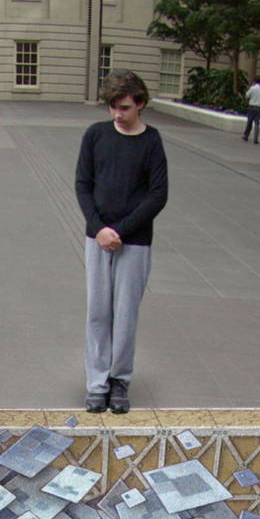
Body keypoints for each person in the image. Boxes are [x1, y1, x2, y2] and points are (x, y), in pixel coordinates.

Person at [74, 71, 168, 415]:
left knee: (125, 314)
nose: (117, 113)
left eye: (125, 107)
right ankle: (96, 382)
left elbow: (158, 194)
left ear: (140, 103)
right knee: (98, 312)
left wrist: (121, 231)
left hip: (135, 241)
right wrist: (99, 229)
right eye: (113, 106)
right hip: (97, 239)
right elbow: (83, 184)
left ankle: (120, 380)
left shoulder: (151, 141)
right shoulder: (96, 134)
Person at [243, 77, 260, 144]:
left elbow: (247, 96)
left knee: (249, 122)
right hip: (259, 108)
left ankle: (246, 135)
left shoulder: (252, 88)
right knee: (257, 123)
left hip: (252, 107)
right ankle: (255, 139)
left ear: (254, 82)